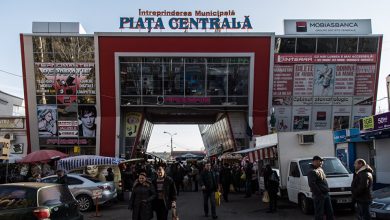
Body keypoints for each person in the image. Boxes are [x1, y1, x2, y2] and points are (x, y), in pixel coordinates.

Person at [308, 156, 334, 220]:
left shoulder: (320, 169)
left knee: (329, 212)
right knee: (319, 213)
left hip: (325, 194)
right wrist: (319, 194)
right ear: (315, 161)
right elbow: (312, 184)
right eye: (320, 161)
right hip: (319, 195)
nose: (322, 162)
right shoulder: (312, 171)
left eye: (322, 161)